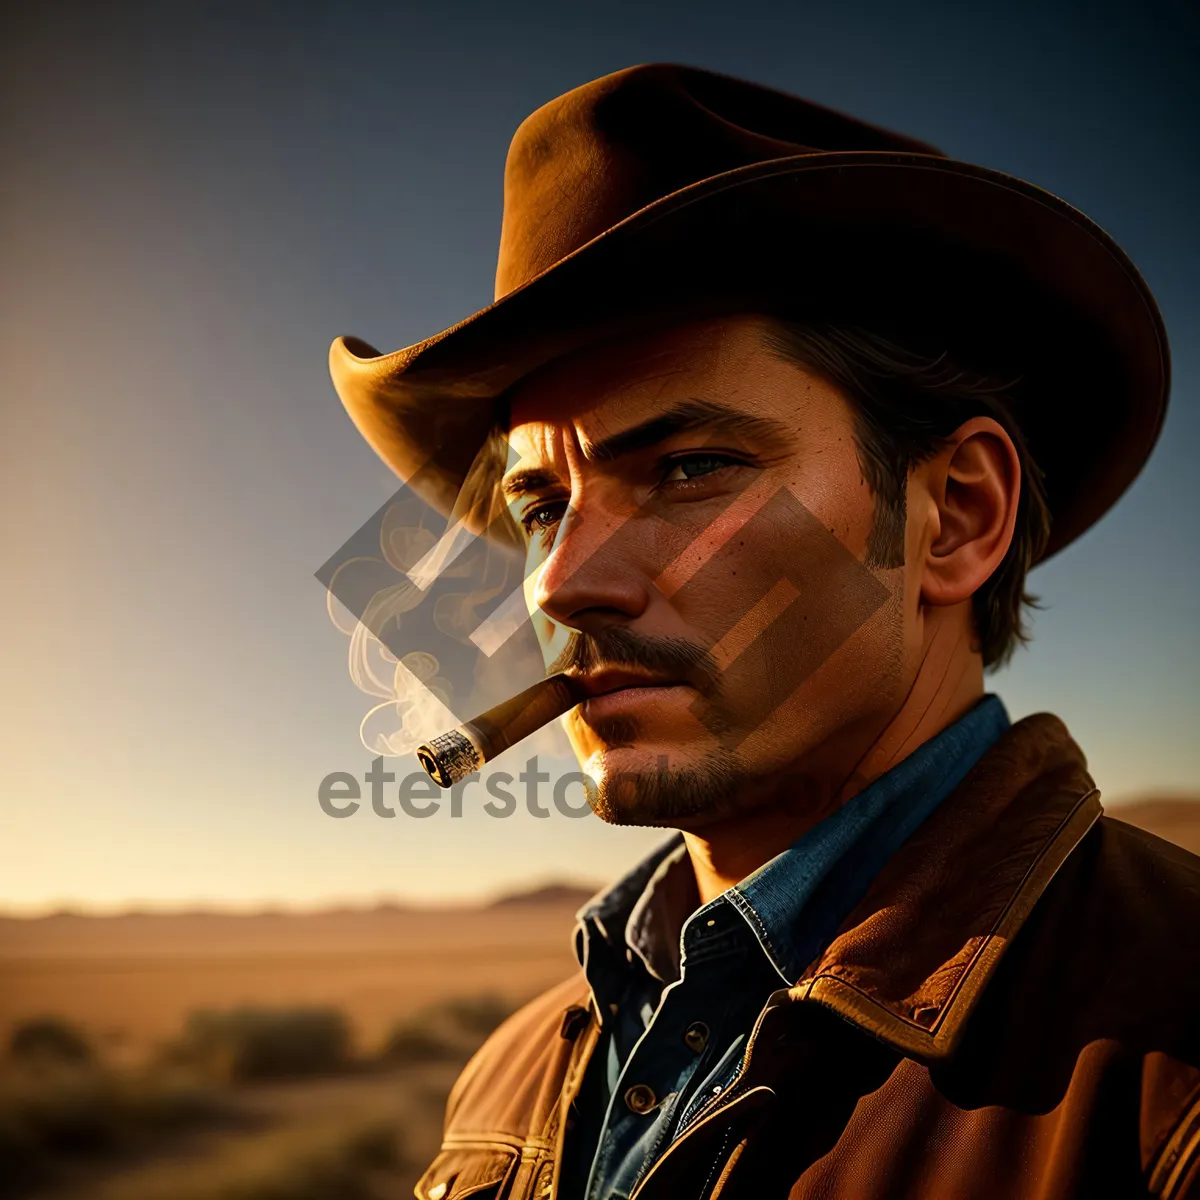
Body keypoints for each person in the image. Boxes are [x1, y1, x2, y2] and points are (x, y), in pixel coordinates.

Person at [329, 64, 1200, 1200]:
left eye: (690, 468)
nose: (556, 588)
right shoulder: (513, 1079)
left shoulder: (1164, 1075)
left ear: (956, 518)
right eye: (542, 508)